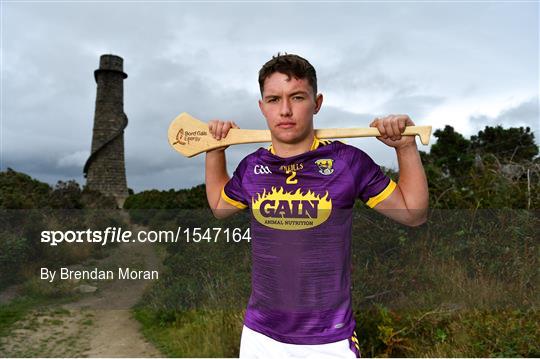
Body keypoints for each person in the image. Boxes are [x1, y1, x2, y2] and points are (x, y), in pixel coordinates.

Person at [205, 53, 428, 358]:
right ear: (262, 107)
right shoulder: (252, 166)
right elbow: (220, 205)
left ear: (317, 102)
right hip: (260, 335)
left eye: (297, 97)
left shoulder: (347, 162)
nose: (285, 110)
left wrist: (405, 147)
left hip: (329, 339)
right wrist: (214, 149)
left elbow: (414, 214)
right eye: (273, 99)